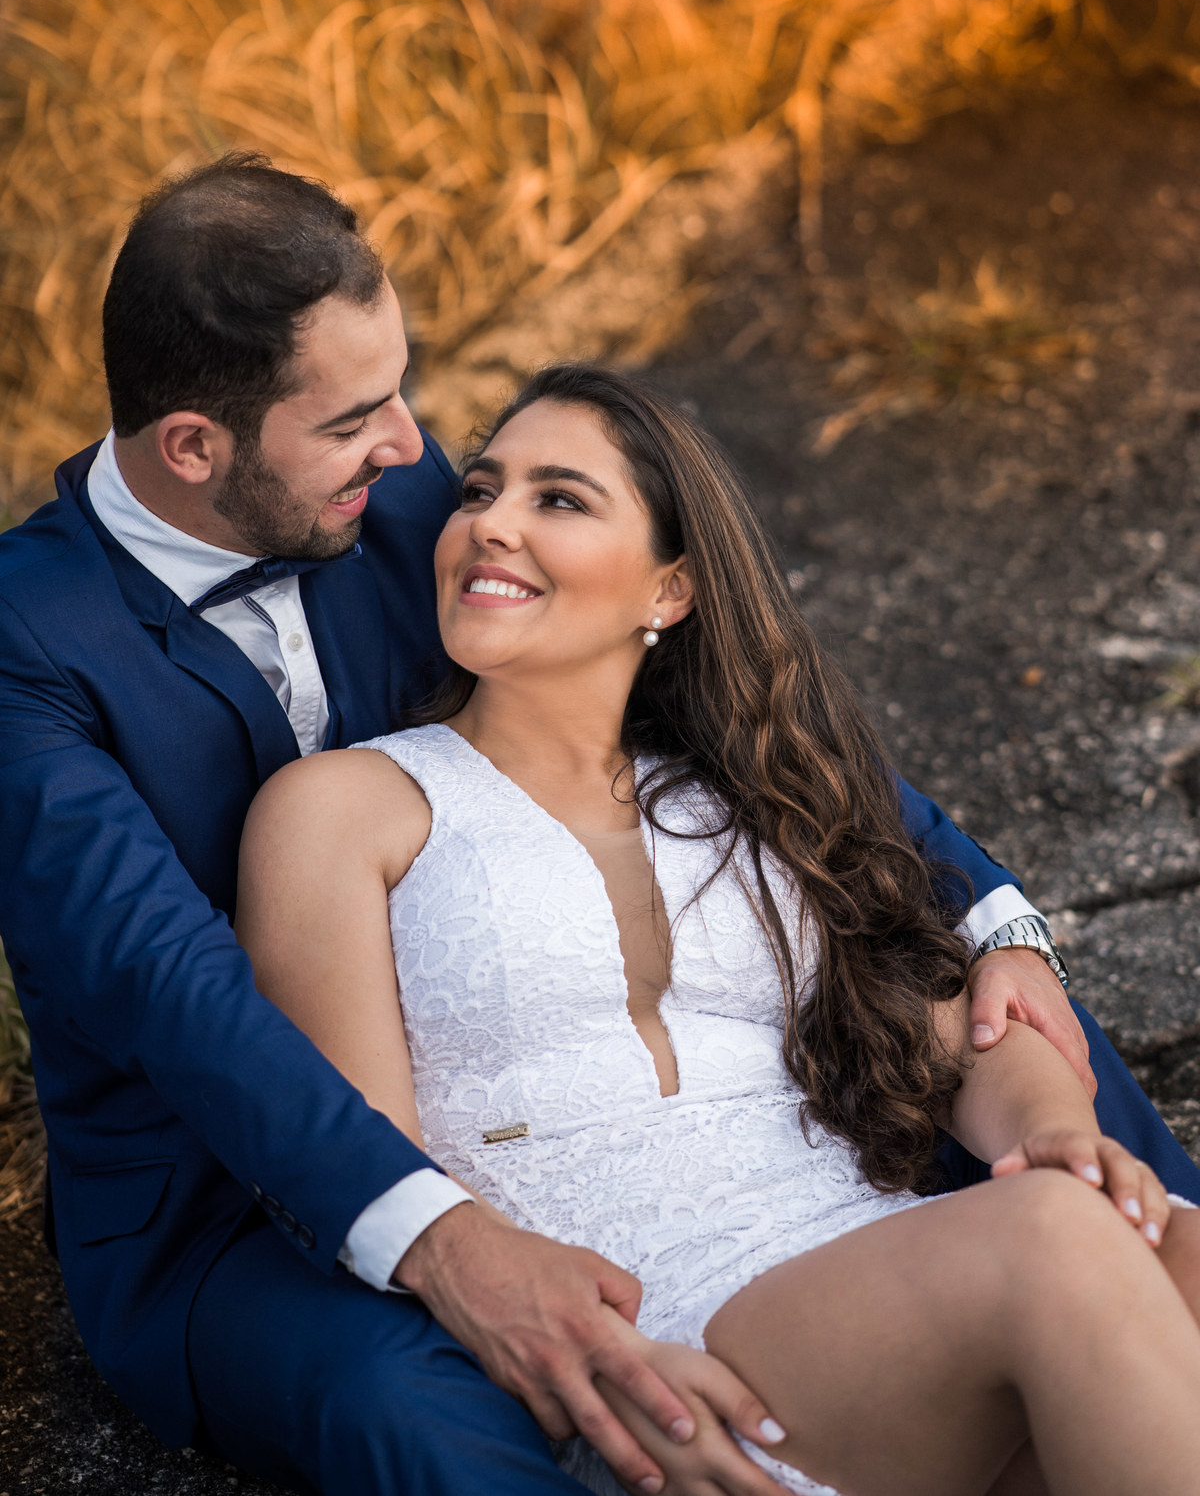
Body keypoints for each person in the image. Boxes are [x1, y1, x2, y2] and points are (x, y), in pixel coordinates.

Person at [0, 154, 1192, 1496]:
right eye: (357, 418)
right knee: (429, 1408)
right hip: (226, 1194)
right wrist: (454, 1237)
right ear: (194, 448)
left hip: (701, 1134)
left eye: (407, 387)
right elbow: (175, 988)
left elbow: (750, 730)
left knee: (1035, 1053)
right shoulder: (29, 642)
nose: (414, 450)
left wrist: (996, 916)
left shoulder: (398, 496)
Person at [237, 362, 1200, 1496]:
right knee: (1053, 1239)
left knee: (1159, 1238)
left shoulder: (749, 797)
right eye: (479, 491)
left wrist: (1052, 1132)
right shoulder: (346, 805)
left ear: (672, 590)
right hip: (659, 1328)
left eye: (558, 498)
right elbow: (357, 1152)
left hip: (876, 1276)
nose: (489, 523)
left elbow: (951, 1025)